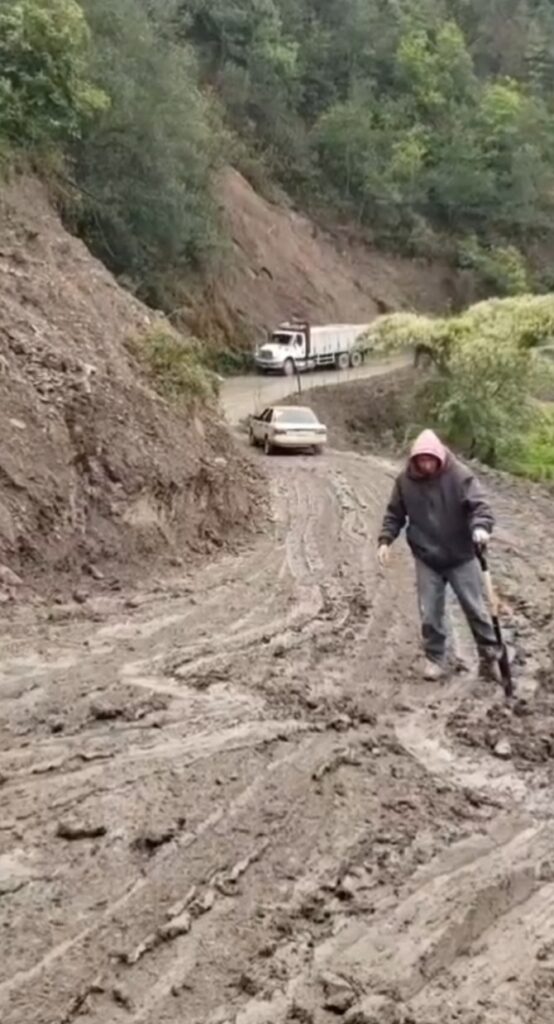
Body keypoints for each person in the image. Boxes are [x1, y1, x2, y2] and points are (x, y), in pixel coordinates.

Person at [377, 429, 500, 682]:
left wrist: (480, 528)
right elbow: (394, 514)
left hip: (461, 555)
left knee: (476, 609)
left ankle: (490, 657)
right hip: (427, 556)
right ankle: (435, 658)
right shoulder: (405, 482)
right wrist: (385, 540)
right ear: (414, 459)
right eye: (421, 460)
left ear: (439, 457)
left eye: (430, 459)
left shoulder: (460, 476)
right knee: (430, 611)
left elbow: (480, 506)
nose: (426, 465)